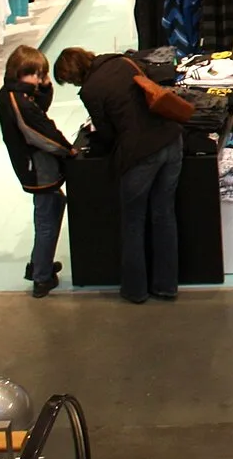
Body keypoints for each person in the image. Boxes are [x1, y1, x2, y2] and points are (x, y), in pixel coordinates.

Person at [57, 45, 180, 304]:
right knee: (164, 214)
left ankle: (136, 290)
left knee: (133, 222)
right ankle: (167, 285)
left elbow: (107, 134)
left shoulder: (91, 90)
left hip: (140, 154)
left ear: (73, 75)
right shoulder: (124, 62)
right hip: (171, 139)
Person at [0, 45, 72, 299]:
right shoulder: (18, 101)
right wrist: (67, 150)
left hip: (35, 166)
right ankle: (41, 276)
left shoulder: (15, 95)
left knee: (50, 210)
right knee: (47, 218)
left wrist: (46, 86)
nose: (39, 80)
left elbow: (40, 110)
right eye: (37, 74)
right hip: (37, 168)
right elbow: (38, 131)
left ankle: (40, 265)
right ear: (21, 72)